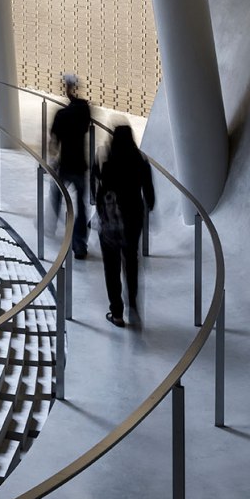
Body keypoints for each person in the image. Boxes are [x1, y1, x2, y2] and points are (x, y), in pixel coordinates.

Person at [96, 123, 156, 328]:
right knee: (130, 262)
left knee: (111, 268)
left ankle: (117, 313)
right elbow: (150, 197)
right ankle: (133, 307)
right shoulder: (141, 161)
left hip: (111, 220)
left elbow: (99, 184)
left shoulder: (107, 160)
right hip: (133, 219)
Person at [48, 73, 92, 259]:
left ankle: (52, 223)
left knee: (57, 192)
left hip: (66, 164)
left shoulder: (61, 115)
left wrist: (53, 158)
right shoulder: (84, 110)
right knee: (81, 204)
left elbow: (54, 143)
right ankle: (79, 242)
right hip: (80, 164)